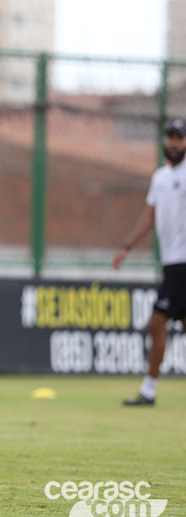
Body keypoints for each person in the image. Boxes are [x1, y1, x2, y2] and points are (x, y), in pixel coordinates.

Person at [113, 118, 186, 406]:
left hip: (184, 263)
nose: (174, 143)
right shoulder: (159, 178)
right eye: (170, 138)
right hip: (171, 262)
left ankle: (149, 390)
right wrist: (126, 246)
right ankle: (149, 389)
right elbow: (149, 215)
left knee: (157, 323)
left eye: (179, 138)